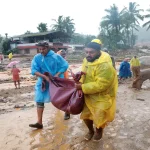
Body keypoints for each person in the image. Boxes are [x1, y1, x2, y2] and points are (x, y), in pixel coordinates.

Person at [75, 39, 118, 141]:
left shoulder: (105, 65)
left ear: (99, 51)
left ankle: (99, 131)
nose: (88, 54)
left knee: (99, 116)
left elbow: (101, 85)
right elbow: (83, 72)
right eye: (86, 52)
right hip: (87, 94)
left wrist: (82, 87)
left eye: (91, 52)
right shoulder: (87, 60)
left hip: (101, 95)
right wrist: (79, 80)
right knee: (86, 115)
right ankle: (90, 131)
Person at [29, 41, 68, 129]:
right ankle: (39, 122)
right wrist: (43, 76)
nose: (41, 51)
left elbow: (64, 65)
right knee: (39, 99)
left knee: (60, 98)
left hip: (56, 80)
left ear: (48, 48)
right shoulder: (37, 57)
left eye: (43, 49)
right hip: (43, 81)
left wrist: (57, 75)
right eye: (40, 49)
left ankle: (67, 111)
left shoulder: (56, 56)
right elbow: (34, 70)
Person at [57, 49, 70, 120]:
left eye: (64, 55)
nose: (63, 56)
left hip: (65, 81)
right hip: (58, 82)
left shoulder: (65, 63)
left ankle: (67, 112)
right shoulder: (56, 62)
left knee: (65, 98)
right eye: (62, 55)